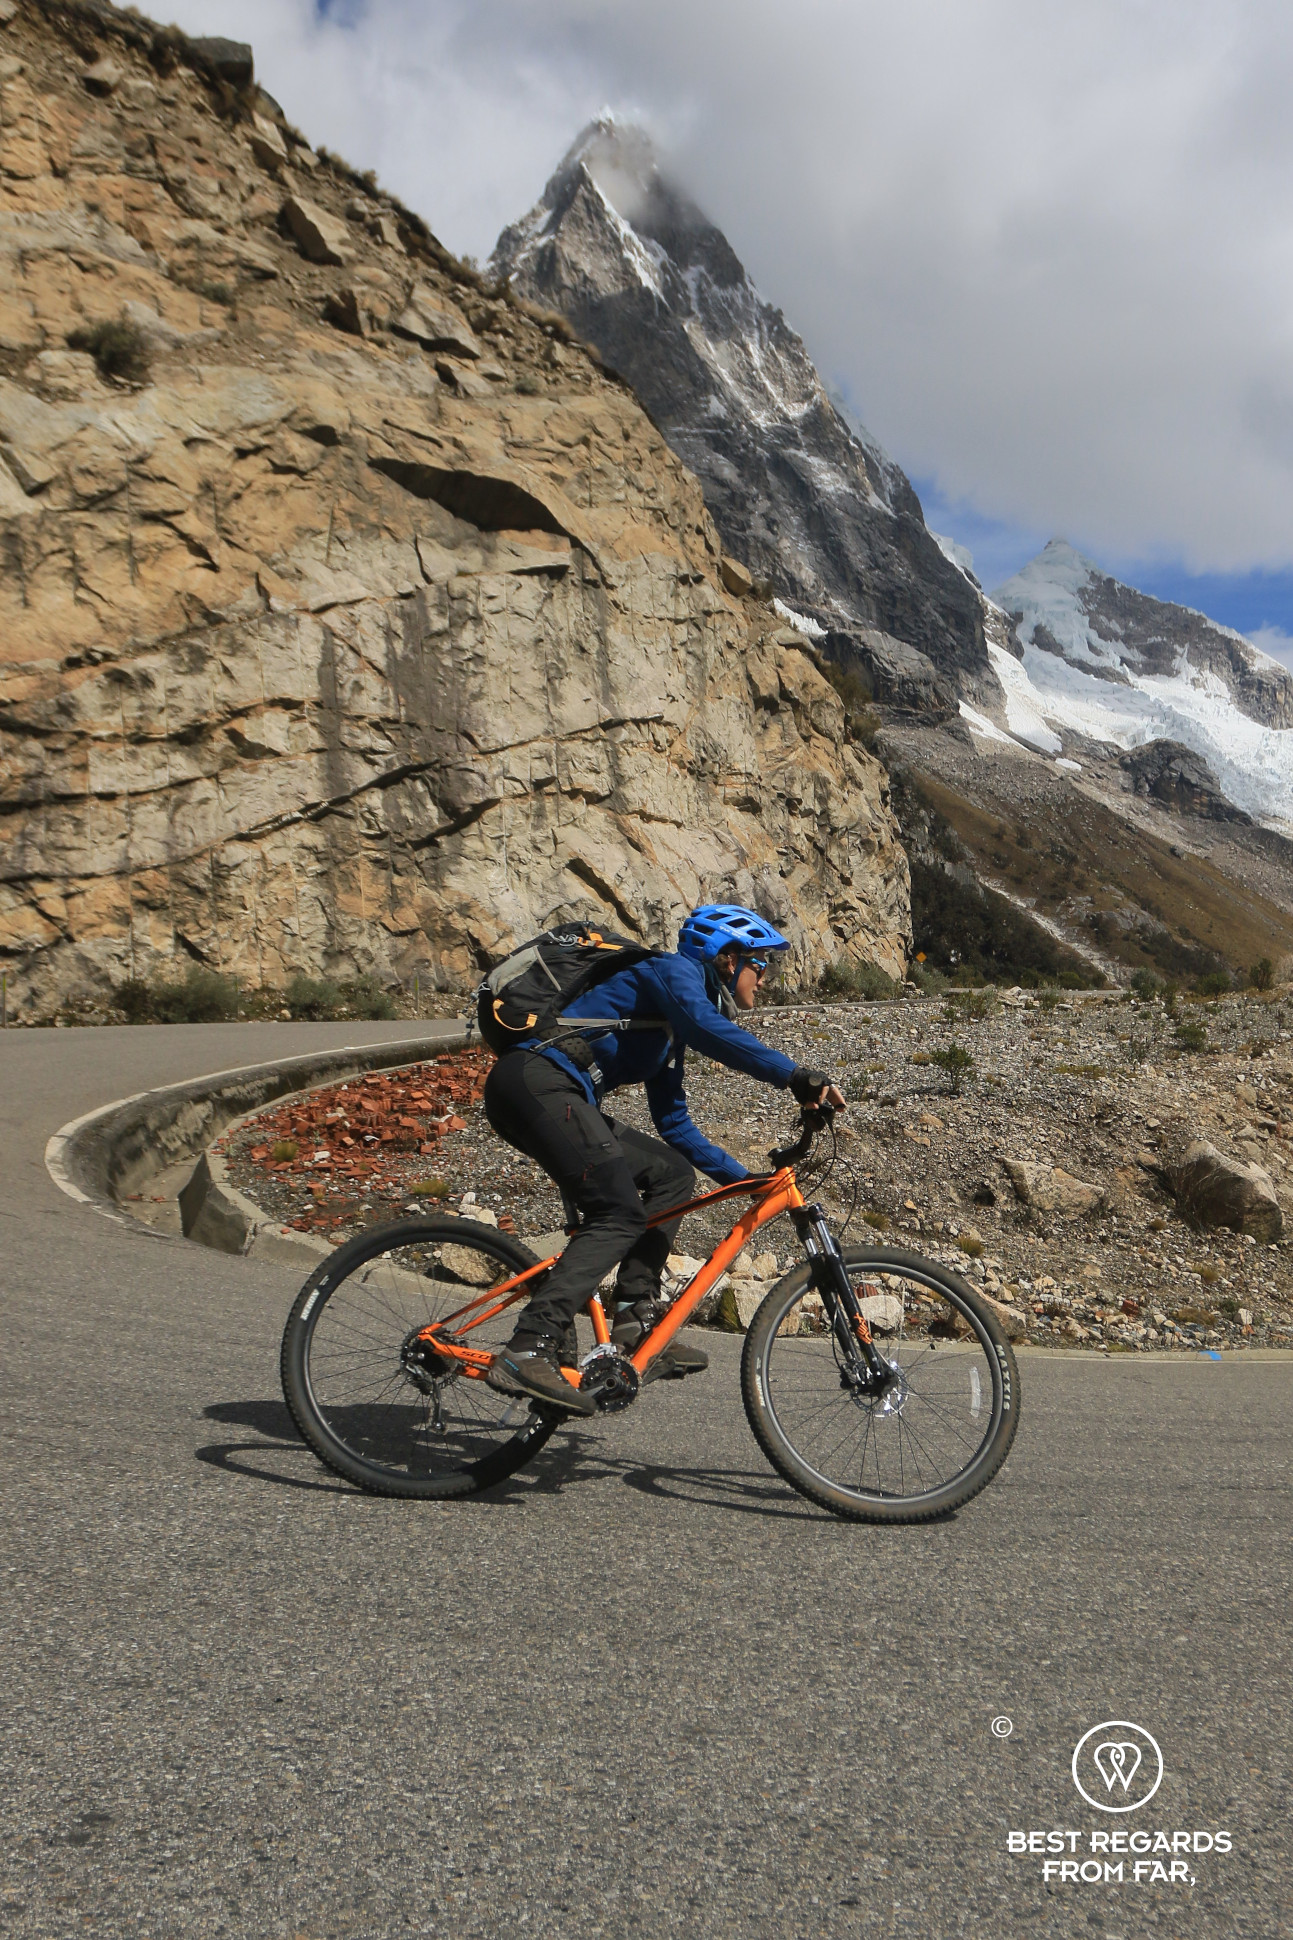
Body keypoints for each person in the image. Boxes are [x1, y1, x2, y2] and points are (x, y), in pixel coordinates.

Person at [483, 903, 846, 1414]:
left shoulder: (665, 1032)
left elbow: (674, 1123)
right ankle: (527, 1347)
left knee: (672, 1174)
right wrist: (794, 1074)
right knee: (618, 1212)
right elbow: (705, 1027)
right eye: (760, 965)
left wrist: (745, 1182)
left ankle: (634, 1317)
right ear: (726, 959)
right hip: (536, 1083)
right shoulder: (670, 972)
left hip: (557, 1096)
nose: (764, 980)